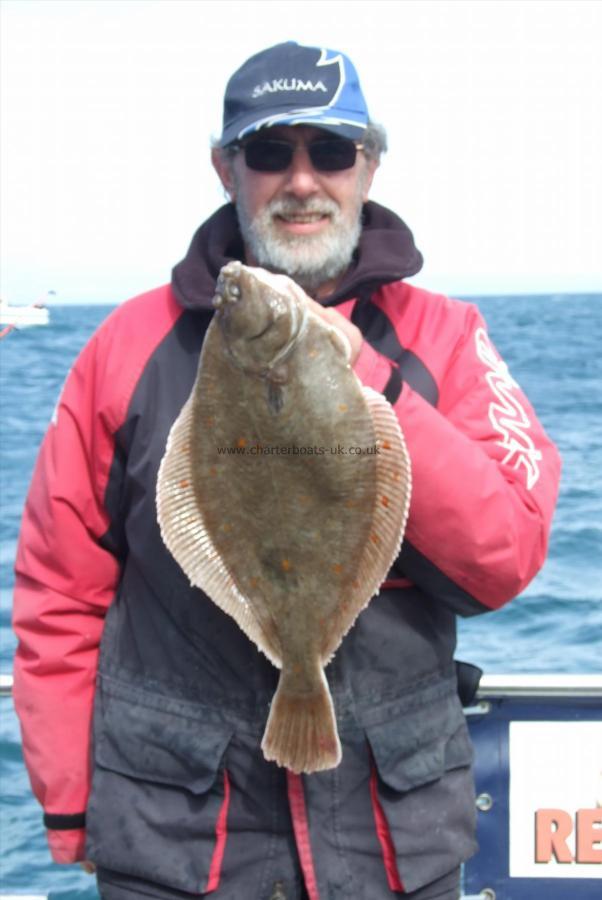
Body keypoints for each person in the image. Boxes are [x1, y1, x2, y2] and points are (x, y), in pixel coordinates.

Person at [12, 42, 561, 900]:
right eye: (270, 153)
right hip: (177, 844)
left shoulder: (443, 338)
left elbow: (505, 556)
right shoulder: (125, 348)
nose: (301, 180)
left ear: (369, 166)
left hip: (389, 841)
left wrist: (373, 383)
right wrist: (73, 802)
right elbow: (58, 590)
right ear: (225, 168)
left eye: (331, 151)